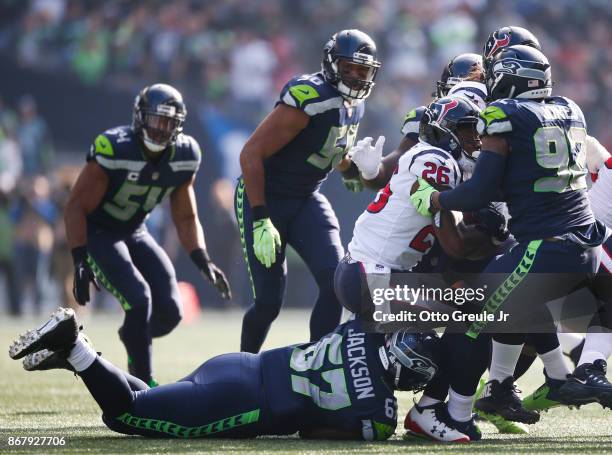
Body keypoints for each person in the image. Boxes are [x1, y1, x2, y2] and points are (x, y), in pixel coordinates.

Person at [410, 44, 609, 436]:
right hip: (582, 249)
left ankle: (460, 411)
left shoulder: (505, 114)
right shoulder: (570, 108)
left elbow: (479, 193)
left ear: (510, 77)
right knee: (513, 308)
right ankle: (510, 386)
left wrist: (436, 198)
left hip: (547, 248)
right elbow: (526, 177)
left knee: (471, 317)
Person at [8, 306, 441, 440]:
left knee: (159, 400)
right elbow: (314, 433)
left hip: (240, 365)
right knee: (125, 415)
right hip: (245, 406)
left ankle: (79, 361)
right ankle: (75, 347)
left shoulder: (361, 330)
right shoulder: (381, 415)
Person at [63, 84, 231, 386]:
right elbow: (76, 206)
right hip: (99, 232)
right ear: (140, 118)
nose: (161, 129)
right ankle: (143, 384)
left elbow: (185, 214)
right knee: (139, 301)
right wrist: (78, 258)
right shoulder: (115, 147)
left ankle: (132, 335)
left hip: (135, 231)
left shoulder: (185, 153)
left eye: (169, 122)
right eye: (156, 120)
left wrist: (202, 258)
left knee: (170, 311)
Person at [236, 29, 381, 353]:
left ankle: (316, 365)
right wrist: (260, 217)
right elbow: (251, 154)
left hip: (306, 196)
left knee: (336, 284)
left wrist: (350, 169)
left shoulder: (355, 106)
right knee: (269, 302)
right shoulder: (310, 96)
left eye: (363, 70)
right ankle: (241, 369)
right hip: (266, 196)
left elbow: (332, 150)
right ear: (331, 64)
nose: (356, 77)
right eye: (349, 68)